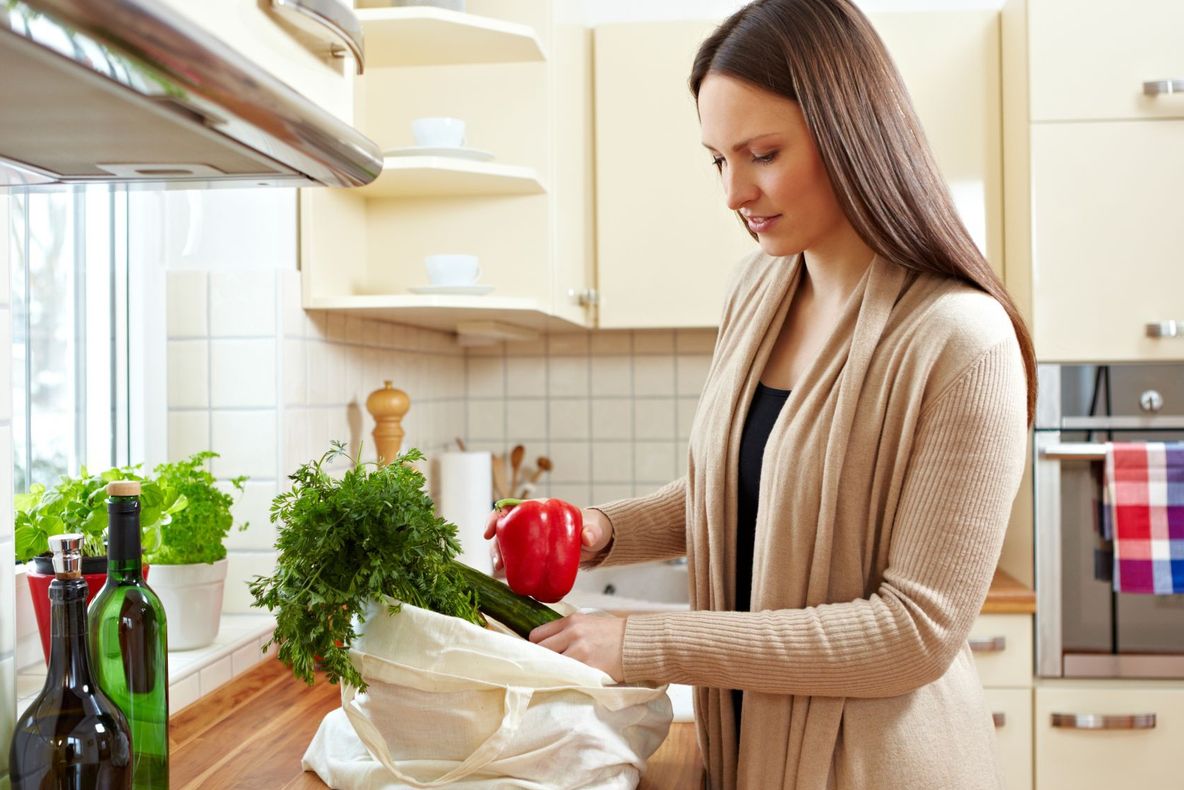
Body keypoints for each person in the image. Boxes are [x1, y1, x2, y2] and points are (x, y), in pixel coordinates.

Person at [485, 1, 1034, 787]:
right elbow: (751, 484)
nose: (735, 191)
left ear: (851, 133)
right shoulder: (759, 293)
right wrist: (602, 531)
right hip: (741, 756)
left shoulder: (960, 339)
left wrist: (645, 642)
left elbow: (914, 633)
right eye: (717, 160)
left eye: (763, 153)